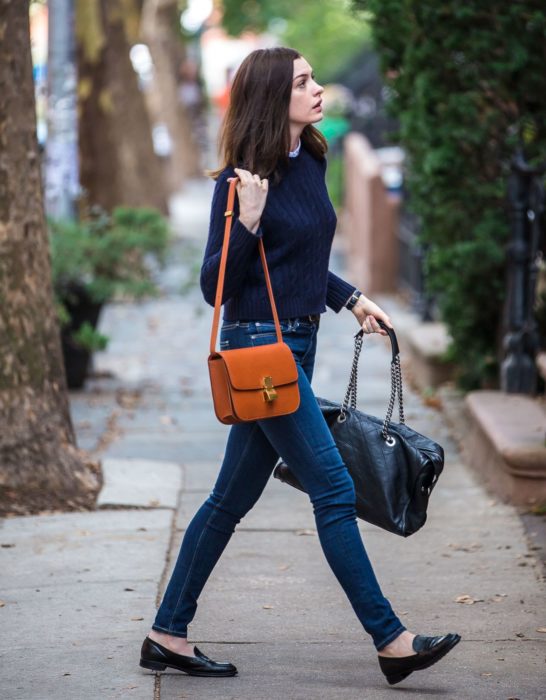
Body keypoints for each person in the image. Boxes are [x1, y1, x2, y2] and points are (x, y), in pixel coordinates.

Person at [139, 47, 461, 686]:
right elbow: (216, 285)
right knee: (335, 489)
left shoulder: (311, 158)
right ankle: (391, 639)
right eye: (303, 82)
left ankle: (166, 632)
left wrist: (350, 298)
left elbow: (308, 255)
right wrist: (250, 225)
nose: (317, 90)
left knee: (229, 498)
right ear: (270, 98)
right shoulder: (240, 183)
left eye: (314, 78)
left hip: (299, 344)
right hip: (258, 349)